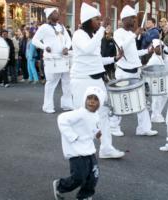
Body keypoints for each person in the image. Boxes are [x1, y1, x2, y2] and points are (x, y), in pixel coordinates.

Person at [70, 3, 125, 159]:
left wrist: (114, 58)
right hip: (82, 80)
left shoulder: (93, 36)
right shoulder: (79, 35)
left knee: (103, 114)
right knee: (81, 115)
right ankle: (77, 147)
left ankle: (106, 148)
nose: (99, 23)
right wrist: (102, 31)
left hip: (96, 80)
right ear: (88, 20)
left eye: (100, 20)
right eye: (97, 19)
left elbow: (96, 59)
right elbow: (87, 49)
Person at [110, 5, 158, 137]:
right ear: (125, 19)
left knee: (140, 100)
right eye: (133, 18)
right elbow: (121, 47)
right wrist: (134, 35)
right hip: (123, 72)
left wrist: (146, 51)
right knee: (120, 100)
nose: (135, 21)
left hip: (135, 72)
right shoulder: (118, 33)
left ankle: (144, 128)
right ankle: (113, 127)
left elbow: (132, 52)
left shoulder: (130, 34)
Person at [54, 86, 104, 200]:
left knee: (93, 175)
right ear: (84, 99)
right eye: (89, 98)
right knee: (79, 177)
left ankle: (85, 195)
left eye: (96, 99)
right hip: (76, 150)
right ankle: (60, 186)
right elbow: (61, 119)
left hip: (89, 149)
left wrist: (97, 133)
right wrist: (72, 136)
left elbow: (93, 126)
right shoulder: (80, 113)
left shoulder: (95, 115)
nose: (91, 101)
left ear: (100, 102)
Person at [32, 8, 73, 113]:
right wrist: (45, 47)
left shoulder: (62, 27)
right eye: (54, 12)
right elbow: (34, 40)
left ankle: (67, 104)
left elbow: (68, 40)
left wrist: (66, 48)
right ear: (49, 16)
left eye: (57, 12)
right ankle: (47, 106)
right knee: (51, 82)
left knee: (66, 81)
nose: (57, 13)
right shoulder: (44, 27)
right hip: (51, 59)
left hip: (64, 58)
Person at [147, 39, 168, 123]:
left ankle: (158, 113)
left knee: (164, 96)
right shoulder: (153, 59)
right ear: (154, 49)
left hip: (162, 80)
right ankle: (154, 115)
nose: (160, 49)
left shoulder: (163, 57)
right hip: (155, 81)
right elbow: (147, 69)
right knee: (156, 98)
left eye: (161, 47)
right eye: (157, 47)